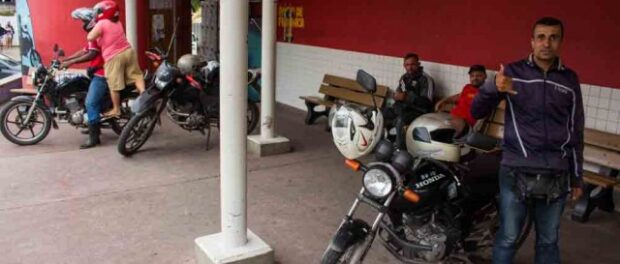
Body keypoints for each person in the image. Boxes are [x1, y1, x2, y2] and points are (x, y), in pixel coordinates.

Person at [470, 17, 584, 264]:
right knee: (508, 237)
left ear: (561, 42)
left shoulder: (570, 80)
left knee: (548, 240)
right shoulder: (512, 72)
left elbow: (576, 130)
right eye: (541, 37)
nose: (546, 43)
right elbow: (477, 111)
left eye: (553, 37)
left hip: (556, 174)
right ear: (532, 41)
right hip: (515, 170)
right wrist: (492, 87)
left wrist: (577, 177)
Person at [87, 0, 145, 118]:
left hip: (114, 57)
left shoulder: (102, 23)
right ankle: (143, 94)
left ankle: (116, 109)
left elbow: (90, 36)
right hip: (128, 52)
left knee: (114, 85)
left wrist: (94, 27)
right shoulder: (118, 22)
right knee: (137, 76)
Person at [60, 7, 107, 149]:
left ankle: (94, 138)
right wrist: (67, 59)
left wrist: (71, 62)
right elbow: (85, 50)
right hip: (96, 71)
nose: (82, 24)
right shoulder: (94, 34)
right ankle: (92, 124)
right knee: (83, 93)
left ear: (90, 21)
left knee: (90, 103)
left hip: (102, 73)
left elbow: (92, 54)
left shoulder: (97, 34)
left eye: (83, 21)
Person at [383, 53, 435, 149]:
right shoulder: (404, 78)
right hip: (403, 109)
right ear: (404, 66)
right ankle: (384, 145)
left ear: (418, 64)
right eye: (407, 65)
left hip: (419, 112)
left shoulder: (426, 80)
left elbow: (427, 102)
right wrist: (396, 96)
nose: (410, 68)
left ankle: (400, 151)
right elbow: (401, 91)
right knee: (381, 113)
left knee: (400, 121)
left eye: (413, 64)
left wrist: (407, 97)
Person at [449, 64, 487, 136]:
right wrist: (443, 101)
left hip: (465, 125)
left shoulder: (487, 91)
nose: (475, 78)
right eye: (472, 76)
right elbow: (458, 96)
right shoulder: (467, 87)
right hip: (452, 119)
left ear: (485, 76)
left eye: (478, 76)